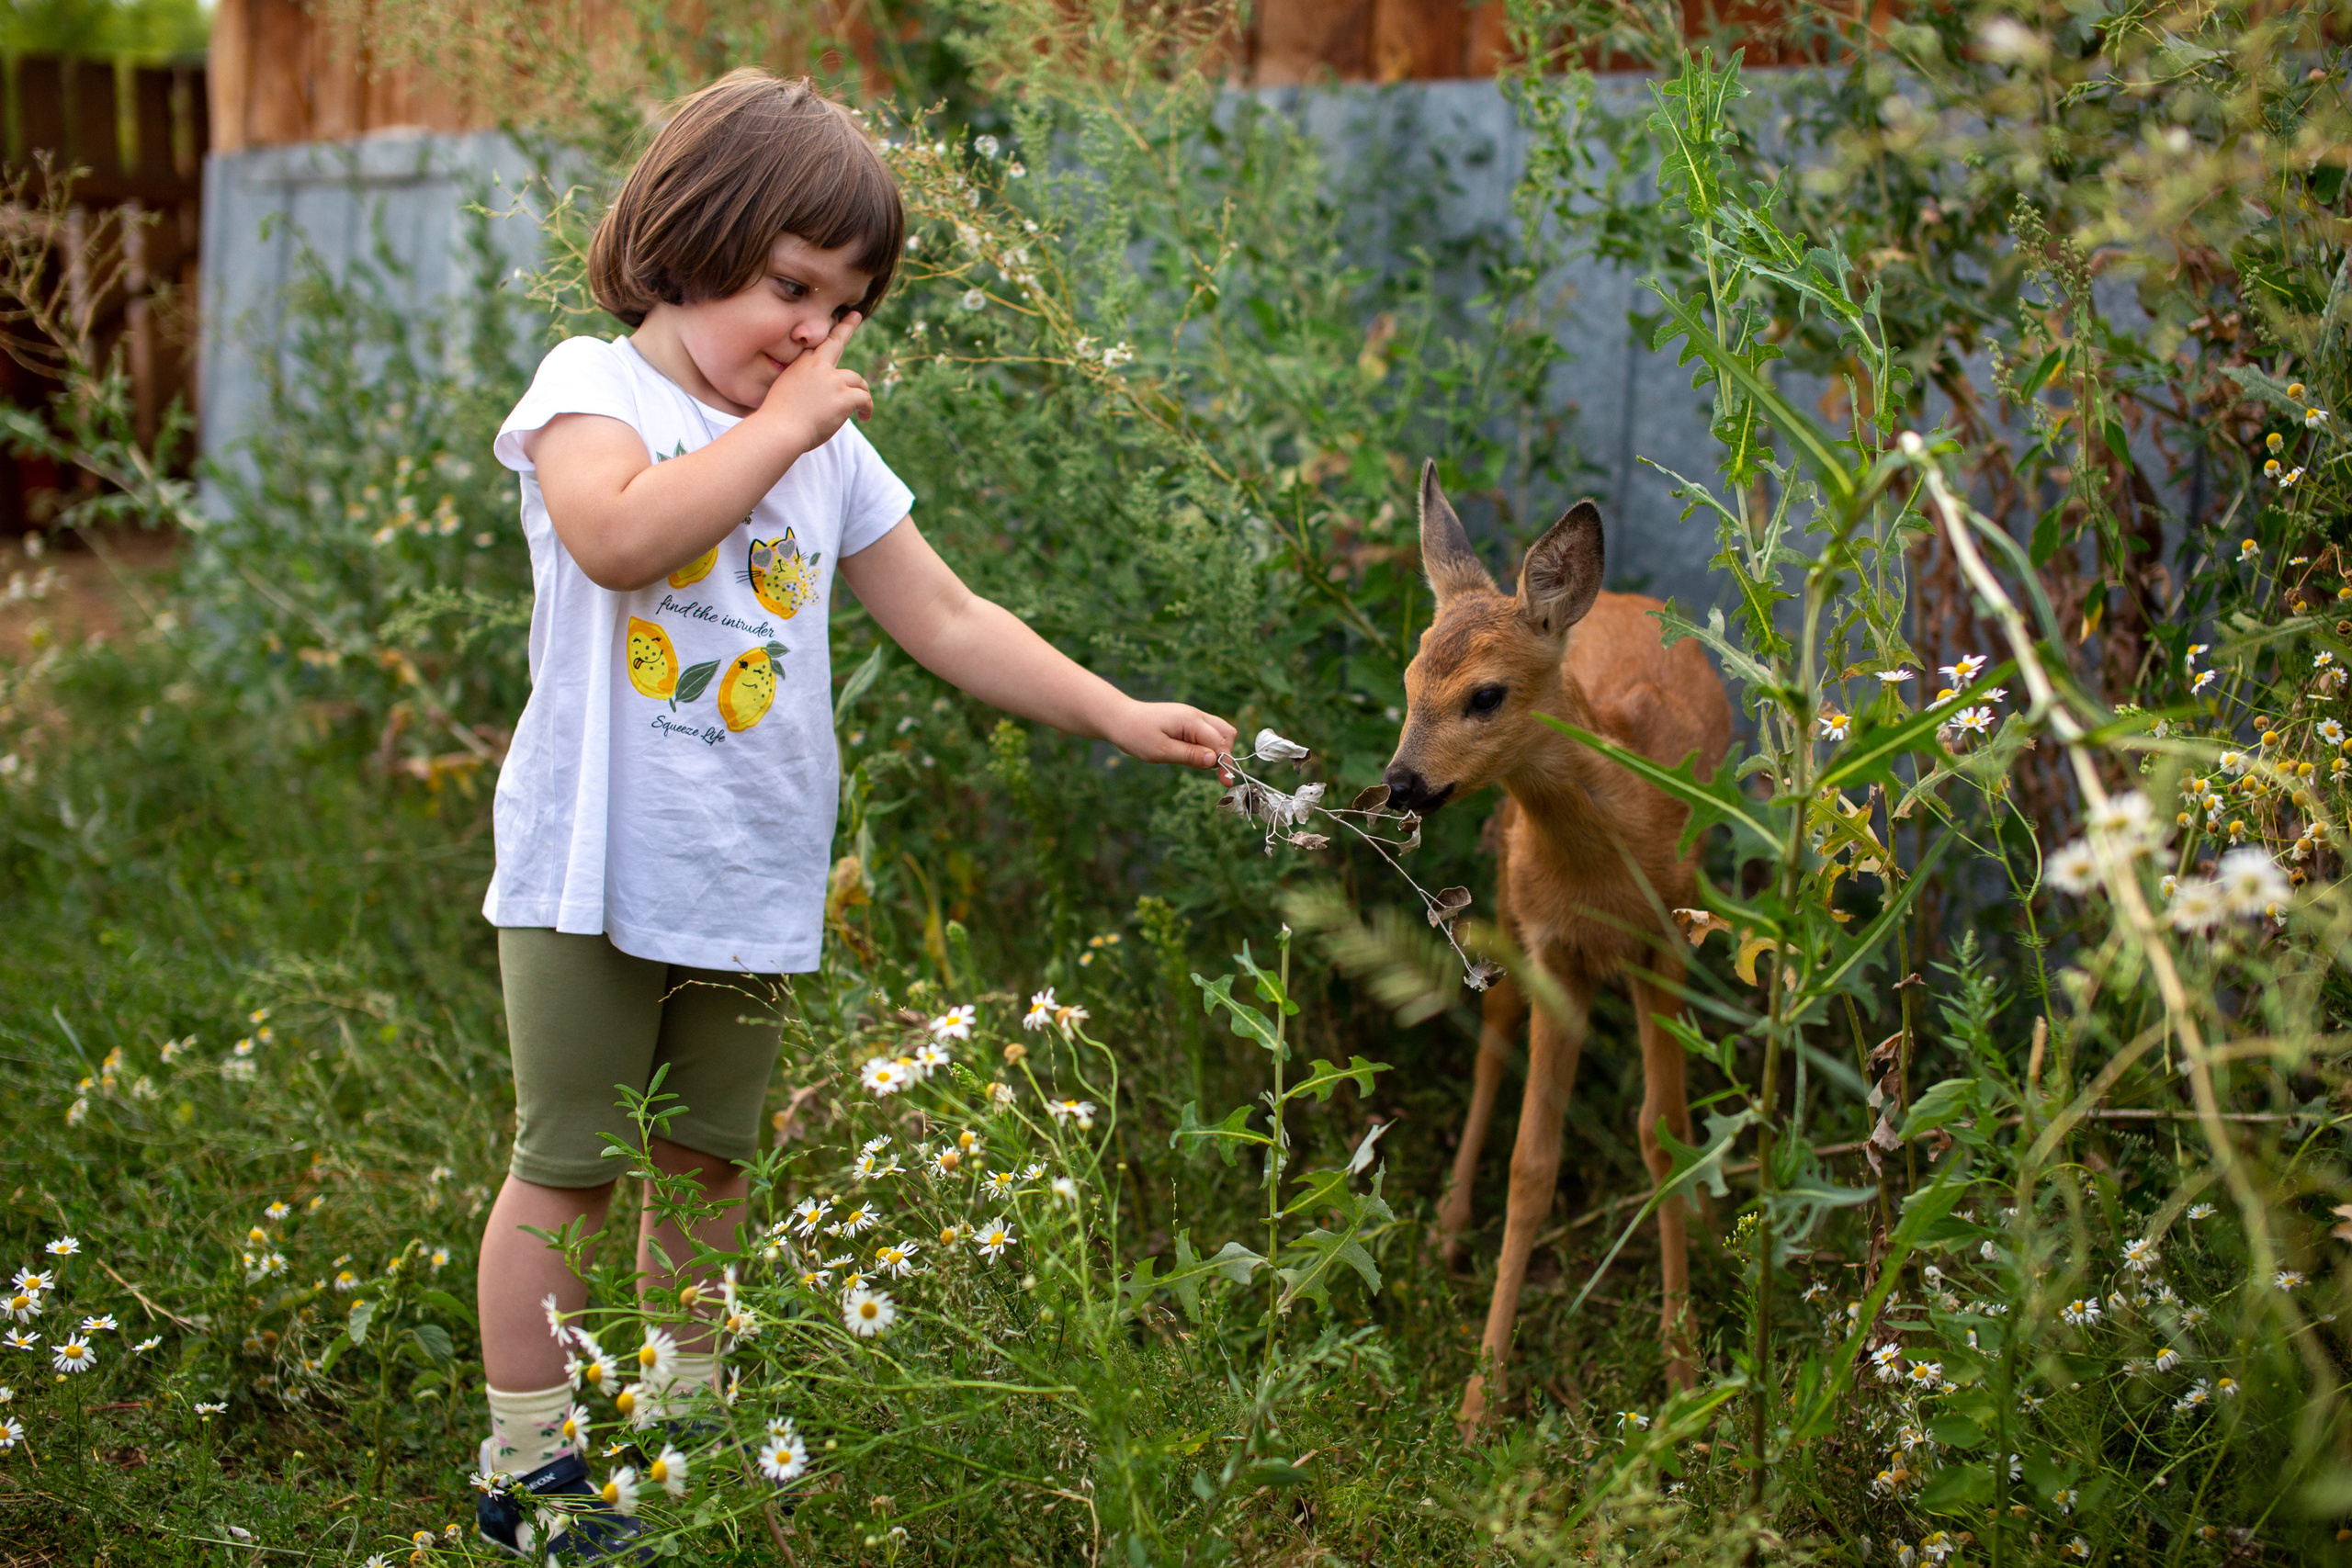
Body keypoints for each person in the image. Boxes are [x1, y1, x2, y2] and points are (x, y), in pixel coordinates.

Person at [470, 69, 1234, 1558]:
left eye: (848, 308)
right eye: (791, 290)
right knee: (567, 1171)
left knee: (705, 1167)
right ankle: (532, 1471)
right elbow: (621, 538)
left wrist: (1111, 710)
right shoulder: (591, 389)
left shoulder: (824, 443)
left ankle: (683, 1432)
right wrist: (785, 427)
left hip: (744, 875)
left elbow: (946, 612)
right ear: (690, 241)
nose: (818, 336)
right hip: (586, 871)